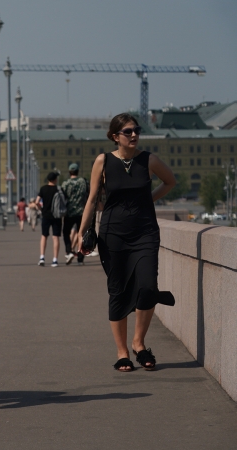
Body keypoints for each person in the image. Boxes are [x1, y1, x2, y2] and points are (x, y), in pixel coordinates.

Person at [74, 113, 176, 372]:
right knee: (118, 290)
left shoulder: (149, 160)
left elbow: (170, 181)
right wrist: (81, 231)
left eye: (136, 130)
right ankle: (122, 353)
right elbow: (92, 198)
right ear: (115, 136)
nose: (134, 135)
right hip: (113, 235)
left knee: (147, 286)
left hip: (145, 233)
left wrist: (148, 200)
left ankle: (139, 344)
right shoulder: (103, 161)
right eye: (128, 131)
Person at [61, 163, 90, 265]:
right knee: (81, 234)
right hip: (82, 212)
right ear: (78, 171)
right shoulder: (83, 182)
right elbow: (88, 193)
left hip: (69, 212)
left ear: (69, 172)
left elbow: (62, 197)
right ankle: (80, 257)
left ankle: (69, 251)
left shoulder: (65, 183)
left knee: (66, 232)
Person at [35, 172, 62, 267]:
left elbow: (37, 202)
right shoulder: (58, 189)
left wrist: (41, 209)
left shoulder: (43, 189)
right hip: (56, 216)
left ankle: (42, 257)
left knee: (44, 236)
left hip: (46, 215)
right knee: (55, 237)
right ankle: (55, 260)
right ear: (55, 179)